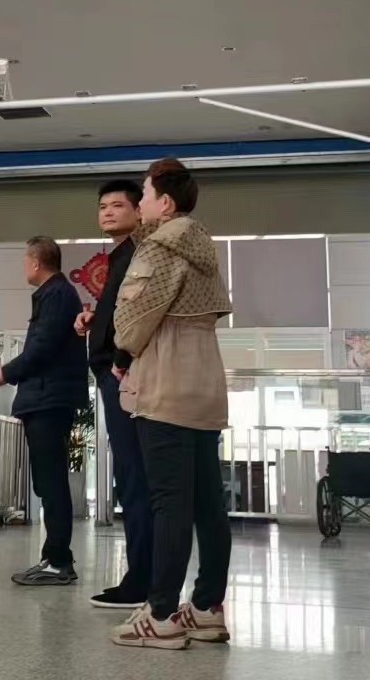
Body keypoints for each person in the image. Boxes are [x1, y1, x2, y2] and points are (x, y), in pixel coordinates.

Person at [109, 158, 233, 650]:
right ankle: (206, 608)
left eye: (143, 193)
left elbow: (133, 322)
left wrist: (118, 344)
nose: (139, 201)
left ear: (164, 202)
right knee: (208, 504)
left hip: (166, 382)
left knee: (168, 503)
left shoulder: (161, 246)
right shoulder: (204, 246)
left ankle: (160, 614)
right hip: (206, 381)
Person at [0, 237, 88, 586]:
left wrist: (7, 372)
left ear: (34, 263)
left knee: (52, 482)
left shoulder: (56, 294)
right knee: (48, 482)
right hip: (46, 399)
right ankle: (54, 557)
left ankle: (59, 561)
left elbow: (43, 347)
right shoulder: (55, 293)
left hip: (49, 399)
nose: (23, 267)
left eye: (24, 261)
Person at [73, 180, 153, 609]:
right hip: (112, 371)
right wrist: (92, 321)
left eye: (118, 205)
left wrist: (118, 360)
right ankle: (142, 576)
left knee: (135, 475)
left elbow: (143, 312)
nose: (107, 211)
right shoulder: (118, 255)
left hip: (124, 373)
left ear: (140, 211)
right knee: (131, 473)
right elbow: (121, 310)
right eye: (102, 205)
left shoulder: (140, 252)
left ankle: (143, 581)